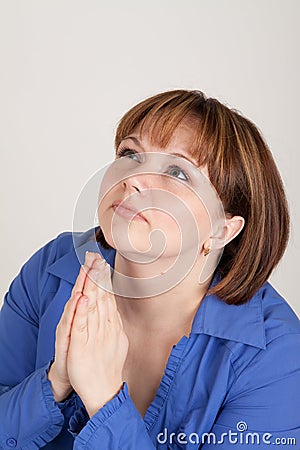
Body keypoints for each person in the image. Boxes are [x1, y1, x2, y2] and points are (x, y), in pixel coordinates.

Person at [0, 89, 299, 450]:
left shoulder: (277, 357)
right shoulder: (51, 269)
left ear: (223, 230)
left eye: (178, 172)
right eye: (130, 154)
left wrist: (105, 400)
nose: (134, 179)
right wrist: (55, 382)